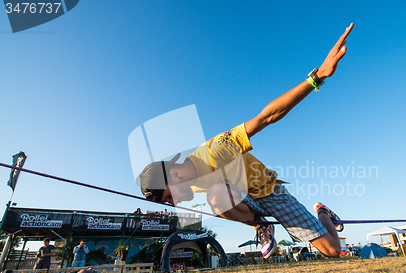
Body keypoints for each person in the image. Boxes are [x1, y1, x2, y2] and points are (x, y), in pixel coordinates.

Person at [140, 24, 354, 260]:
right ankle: (262, 226)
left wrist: (317, 77)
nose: (175, 202)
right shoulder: (189, 181)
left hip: (270, 191)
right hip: (247, 200)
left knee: (333, 250)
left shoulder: (213, 151)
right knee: (216, 199)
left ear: (175, 175)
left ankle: (322, 211)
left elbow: (267, 117)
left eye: (170, 197)